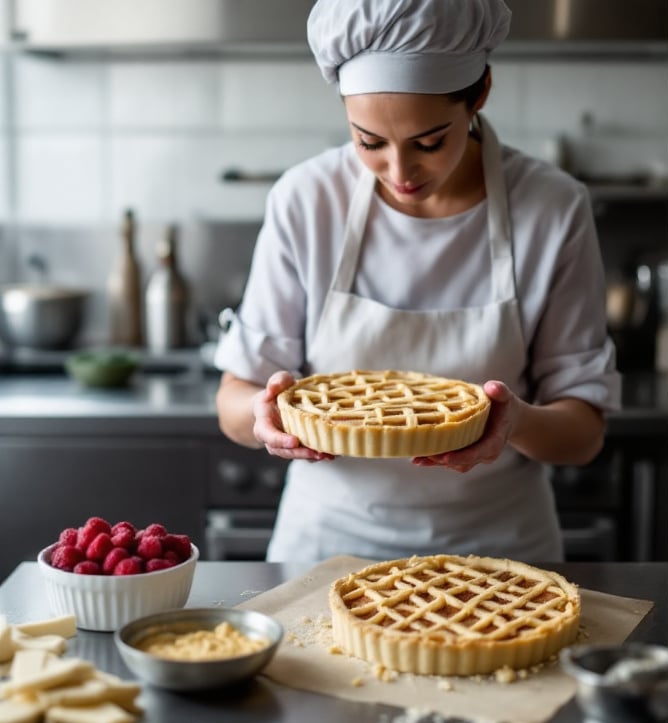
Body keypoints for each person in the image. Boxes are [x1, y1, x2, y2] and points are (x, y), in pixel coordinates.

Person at [214, 0, 618, 562]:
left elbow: (583, 433)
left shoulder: (552, 208)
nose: (401, 173)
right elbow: (234, 401)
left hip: (499, 561)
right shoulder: (306, 200)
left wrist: (515, 422)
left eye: (429, 142)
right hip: (324, 551)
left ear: (478, 95)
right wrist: (264, 416)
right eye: (369, 143)